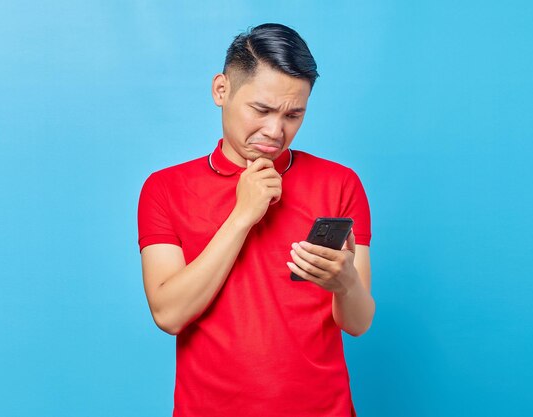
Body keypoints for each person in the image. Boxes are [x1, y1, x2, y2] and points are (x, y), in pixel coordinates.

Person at [137, 23, 375, 417]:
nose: (275, 131)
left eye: (294, 115)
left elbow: (358, 323)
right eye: (261, 110)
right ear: (221, 90)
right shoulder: (165, 189)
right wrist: (242, 216)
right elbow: (169, 314)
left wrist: (345, 282)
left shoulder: (340, 183)